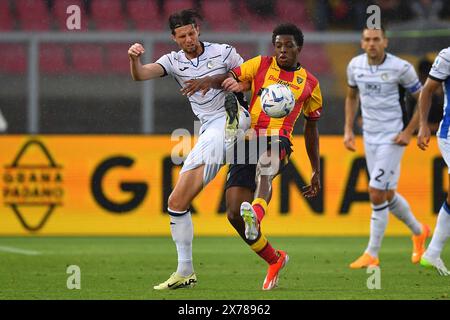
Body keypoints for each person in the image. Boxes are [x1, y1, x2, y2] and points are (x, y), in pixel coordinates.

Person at [182, 23, 322, 290]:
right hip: (247, 139)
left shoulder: (311, 84)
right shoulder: (260, 64)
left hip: (278, 138)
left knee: (266, 166)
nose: (282, 51)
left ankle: (257, 213)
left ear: (298, 48)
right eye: (278, 45)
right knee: (234, 213)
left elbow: (312, 129)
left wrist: (316, 170)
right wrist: (206, 81)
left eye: (288, 46)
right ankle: (274, 258)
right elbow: (229, 76)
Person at [128, 9, 249, 290]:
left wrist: (233, 82)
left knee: (232, 118)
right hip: (209, 131)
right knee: (176, 202)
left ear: (198, 30)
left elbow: (250, 79)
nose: (188, 39)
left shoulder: (224, 52)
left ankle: (235, 121)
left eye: (191, 33)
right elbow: (141, 75)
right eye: (182, 36)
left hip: (234, 117)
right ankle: (186, 272)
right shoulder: (173, 61)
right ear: (174, 38)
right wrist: (134, 59)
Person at [344, 27, 430, 269]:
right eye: (367, 40)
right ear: (362, 43)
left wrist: (409, 130)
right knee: (387, 193)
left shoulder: (401, 68)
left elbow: (421, 98)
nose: (372, 44)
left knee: (375, 191)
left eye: (376, 39)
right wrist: (349, 130)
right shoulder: (355, 66)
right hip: (369, 136)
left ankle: (372, 253)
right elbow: (351, 97)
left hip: (393, 138)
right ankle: (419, 230)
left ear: (385, 42)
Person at [417, 46, 450, 276]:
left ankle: (432, 252)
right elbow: (428, 90)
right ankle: (433, 251)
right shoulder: (447, 55)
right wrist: (422, 125)